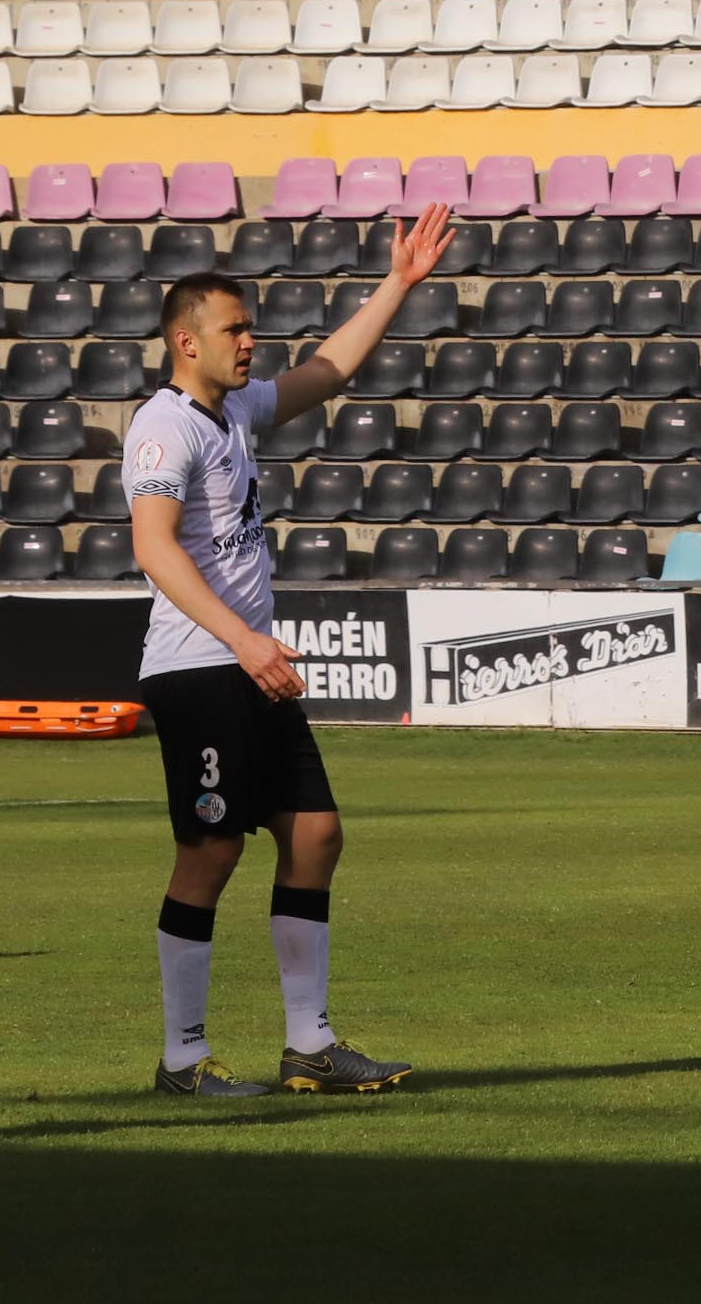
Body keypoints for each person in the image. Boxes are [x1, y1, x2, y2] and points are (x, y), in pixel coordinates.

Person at [128, 206, 453, 1097]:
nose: (249, 341)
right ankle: (183, 1060)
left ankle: (309, 1043)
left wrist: (398, 282)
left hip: (245, 664)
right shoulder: (166, 428)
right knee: (211, 849)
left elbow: (329, 368)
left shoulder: (232, 413)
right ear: (185, 341)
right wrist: (243, 639)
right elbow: (155, 548)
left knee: (314, 833)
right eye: (234, 328)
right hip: (200, 665)